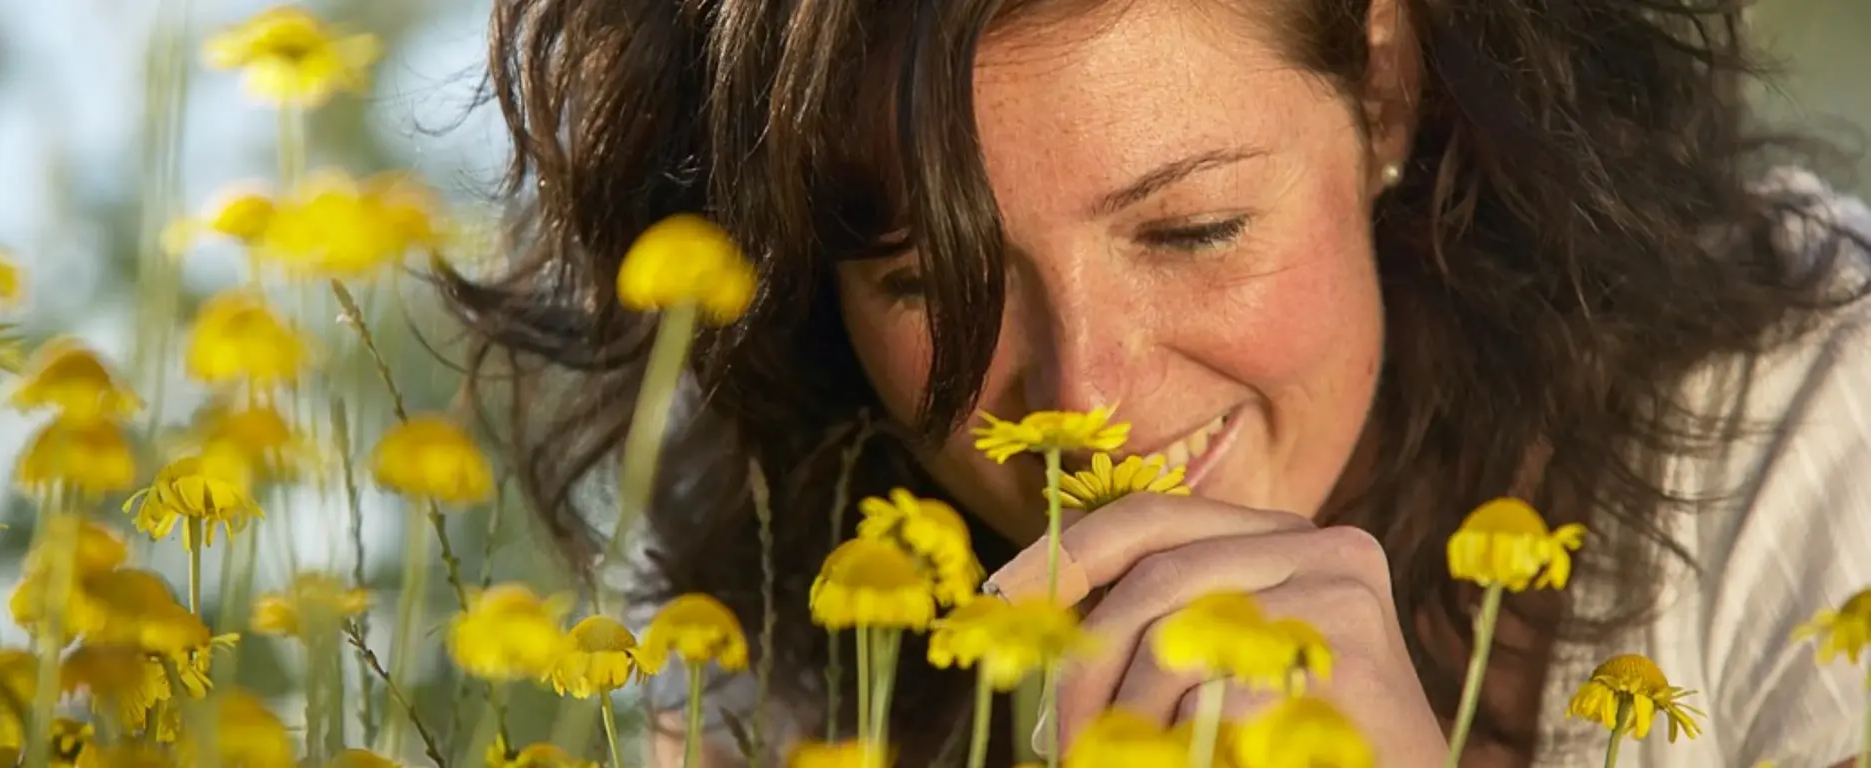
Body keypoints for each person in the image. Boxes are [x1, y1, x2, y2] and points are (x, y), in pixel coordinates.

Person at [446, 0, 1871, 765]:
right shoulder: (788, 633)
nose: (1090, 399)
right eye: (931, 283)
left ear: (1383, 85)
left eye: (1194, 231)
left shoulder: (1823, 444)